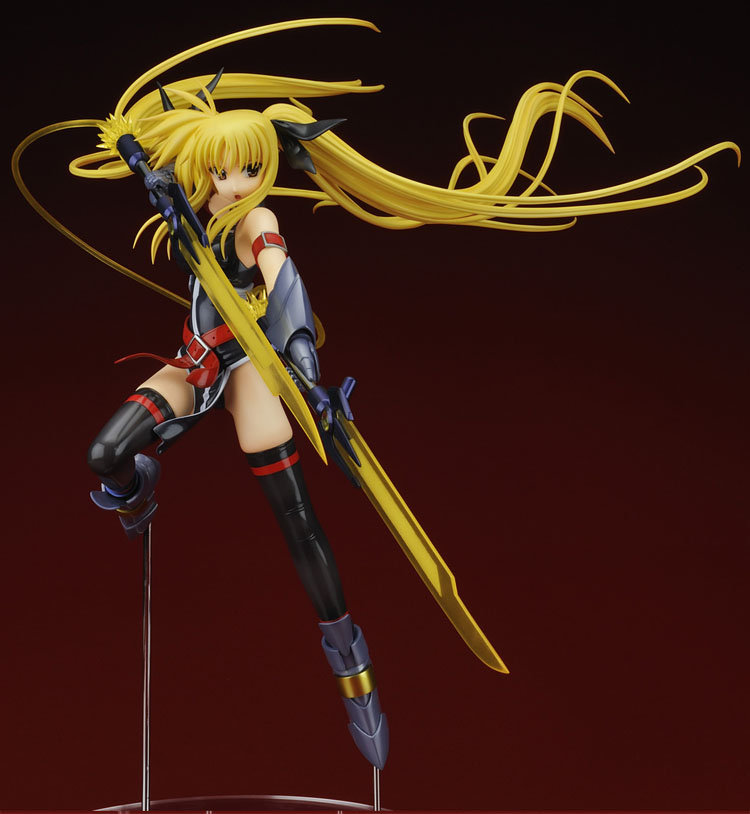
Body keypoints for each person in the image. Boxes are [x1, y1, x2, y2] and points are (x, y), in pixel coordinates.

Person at [13, 16, 739, 773]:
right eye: (221, 171)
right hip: (194, 366)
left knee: (298, 519)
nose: (235, 183)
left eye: (248, 170)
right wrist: (149, 168)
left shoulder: (256, 219)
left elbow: (285, 286)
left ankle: (349, 662)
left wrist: (306, 372)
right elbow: (170, 186)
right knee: (105, 454)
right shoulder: (192, 206)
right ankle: (138, 491)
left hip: (253, 368)